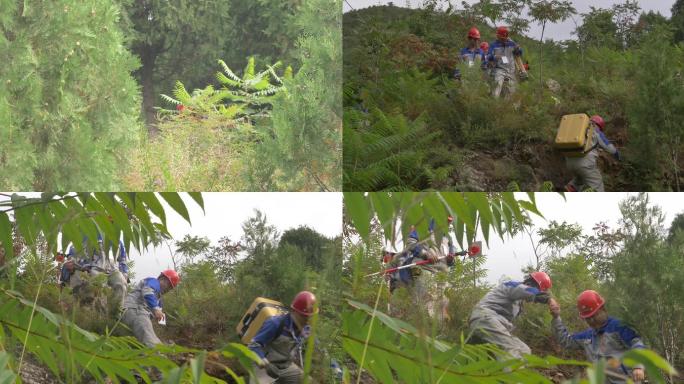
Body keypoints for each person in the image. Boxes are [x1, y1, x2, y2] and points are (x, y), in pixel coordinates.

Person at [549, 290, 645, 383]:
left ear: (603, 309)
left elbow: (637, 343)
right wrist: (556, 317)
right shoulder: (587, 336)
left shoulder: (618, 327)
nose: (592, 321)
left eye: (594, 315)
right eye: (588, 318)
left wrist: (638, 366)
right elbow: (566, 340)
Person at [468, 272, 552, 358]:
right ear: (532, 284)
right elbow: (527, 290)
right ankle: (511, 371)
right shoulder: (512, 285)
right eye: (538, 289)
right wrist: (548, 299)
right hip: (485, 317)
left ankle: (504, 369)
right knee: (511, 349)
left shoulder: (517, 301)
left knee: (524, 350)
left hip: (493, 322)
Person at [248, 291, 318, 384]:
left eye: (309, 317)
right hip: (264, 366)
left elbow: (320, 349)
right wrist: (262, 360)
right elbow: (253, 345)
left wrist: (335, 368)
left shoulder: (306, 329)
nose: (307, 320)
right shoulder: (275, 323)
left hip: (285, 367)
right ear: (293, 311)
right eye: (304, 316)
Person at [121, 269, 180, 347]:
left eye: (170, 288)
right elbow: (148, 291)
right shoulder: (154, 282)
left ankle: (159, 347)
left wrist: (158, 315)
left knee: (144, 338)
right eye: (168, 286)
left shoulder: (158, 299)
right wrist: (156, 309)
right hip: (135, 309)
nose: (168, 290)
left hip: (136, 313)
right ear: (163, 279)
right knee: (147, 335)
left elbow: (159, 316)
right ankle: (158, 354)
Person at [565, 115, 620, 192]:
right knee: (597, 185)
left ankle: (571, 188)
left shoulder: (579, 128)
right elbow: (609, 148)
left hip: (569, 161)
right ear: (600, 126)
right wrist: (616, 153)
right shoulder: (596, 130)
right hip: (584, 163)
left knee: (580, 178)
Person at [487, 26, 524, 98]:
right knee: (496, 86)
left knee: (512, 93)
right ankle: (493, 103)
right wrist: (494, 56)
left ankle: (507, 108)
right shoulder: (493, 45)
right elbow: (488, 56)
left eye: (505, 38)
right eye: (502, 38)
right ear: (498, 36)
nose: (504, 40)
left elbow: (519, 53)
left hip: (511, 71)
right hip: (499, 70)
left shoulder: (512, 43)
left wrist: (518, 48)